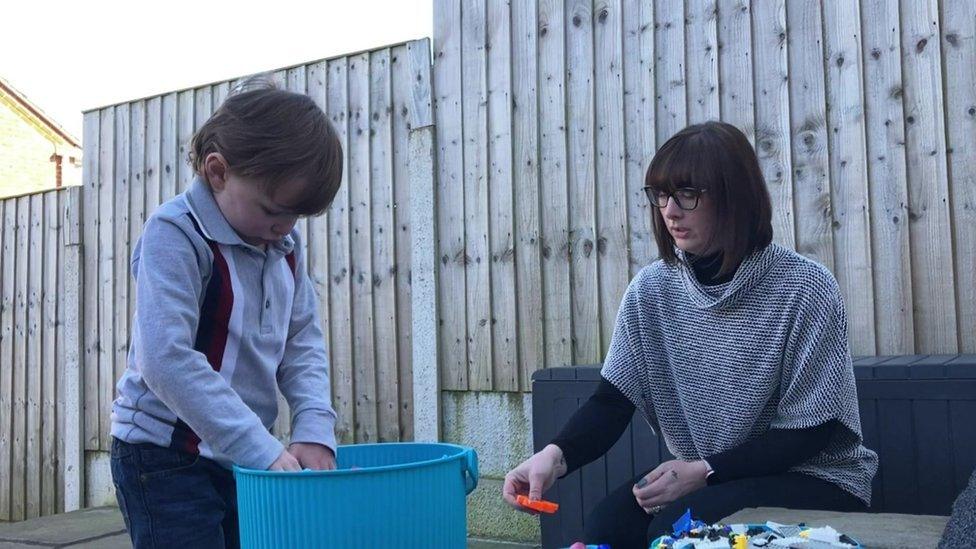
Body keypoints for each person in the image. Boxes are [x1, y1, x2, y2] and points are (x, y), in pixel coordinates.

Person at [502, 121, 878, 548]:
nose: (669, 211)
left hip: (814, 477)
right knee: (607, 527)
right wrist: (553, 458)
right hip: (710, 476)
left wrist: (703, 471)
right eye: (661, 194)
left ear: (736, 198)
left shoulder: (803, 286)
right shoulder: (652, 290)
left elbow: (814, 429)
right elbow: (611, 401)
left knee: (678, 533)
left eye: (687, 194)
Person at [110, 80, 343, 548]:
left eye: (297, 217)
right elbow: (165, 359)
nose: (286, 228)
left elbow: (302, 347)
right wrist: (261, 449)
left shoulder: (282, 248)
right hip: (164, 457)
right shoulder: (176, 233)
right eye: (274, 210)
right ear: (218, 173)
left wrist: (315, 428)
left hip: (242, 457)